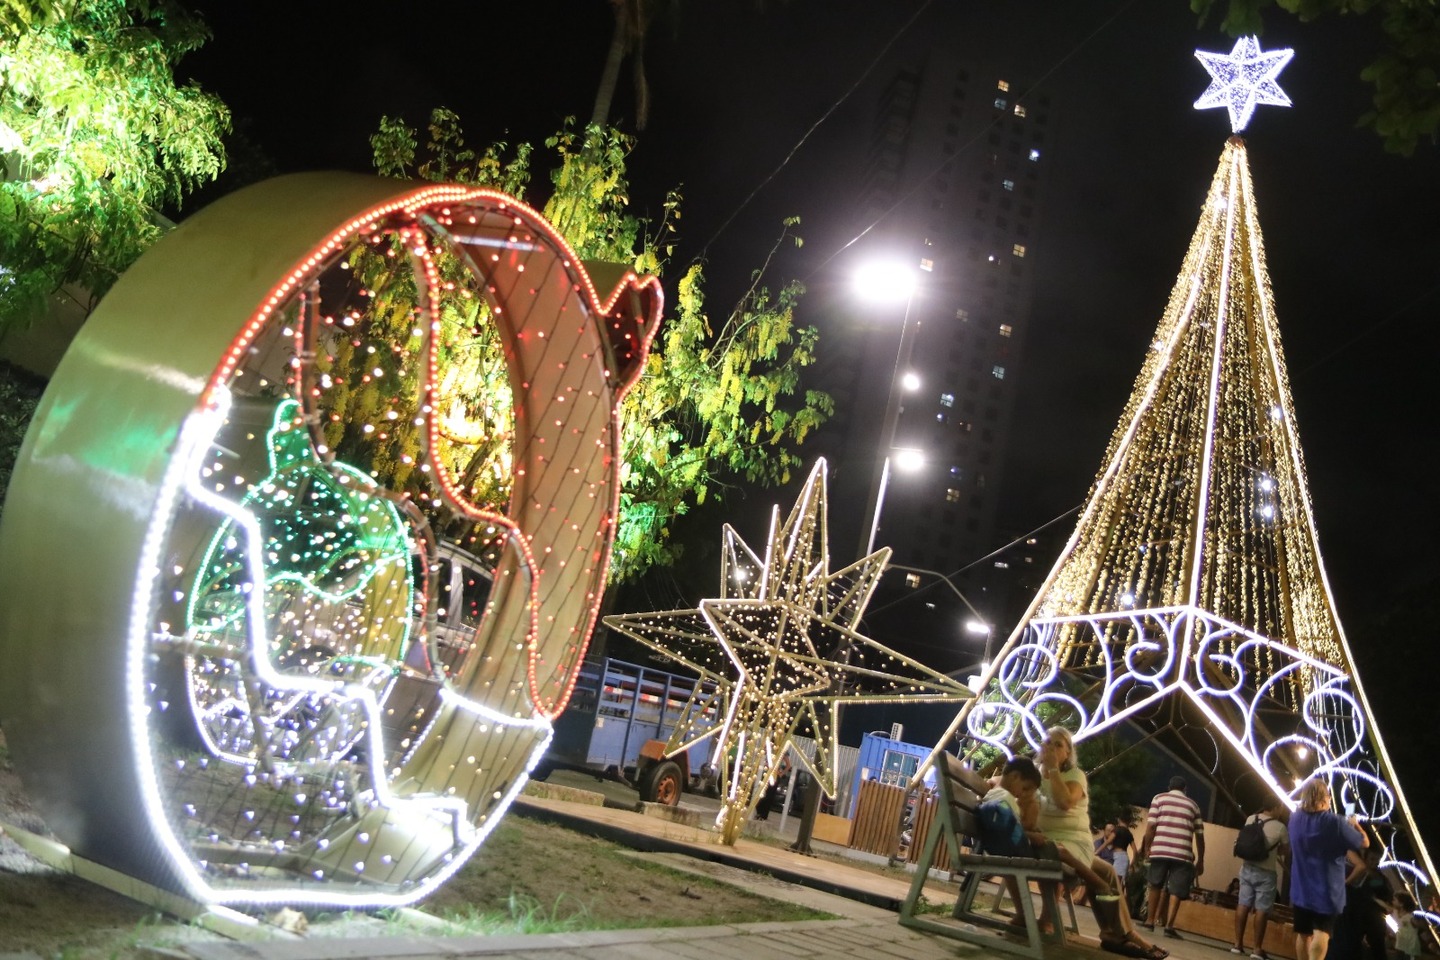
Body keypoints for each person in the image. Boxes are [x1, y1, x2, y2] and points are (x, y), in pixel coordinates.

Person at [1034, 726, 1167, 960]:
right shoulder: (1033, 775)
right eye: (1048, 743)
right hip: (1054, 845)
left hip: (1075, 845)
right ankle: (1120, 934)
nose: (1052, 748)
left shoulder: (1075, 776)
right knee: (1102, 874)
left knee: (1107, 872)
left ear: (1068, 753)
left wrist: (1053, 770)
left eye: (1058, 745)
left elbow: (1066, 800)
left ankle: (1116, 933)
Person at [1288, 777, 1368, 960]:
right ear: (1325, 798)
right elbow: (1363, 842)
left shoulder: (1295, 819)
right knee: (1321, 933)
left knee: (1303, 934)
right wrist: (1354, 824)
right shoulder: (1335, 822)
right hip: (1327, 890)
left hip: (1300, 888)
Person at [1140, 775, 1205, 939]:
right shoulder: (1194, 805)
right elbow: (1199, 835)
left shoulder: (1159, 799)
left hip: (1160, 849)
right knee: (1176, 889)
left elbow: (1151, 826)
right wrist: (1201, 859)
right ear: (1185, 789)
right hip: (1182, 853)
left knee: (1155, 884)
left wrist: (1148, 847)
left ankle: (1149, 921)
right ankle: (1169, 926)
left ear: (1169, 787)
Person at [1232, 798, 1289, 960]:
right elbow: (1285, 851)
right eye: (1281, 808)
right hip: (1266, 872)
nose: (1282, 811)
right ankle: (1256, 949)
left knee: (1242, 904)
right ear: (1276, 807)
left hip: (1247, 867)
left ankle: (1237, 944)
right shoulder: (1280, 827)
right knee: (1262, 910)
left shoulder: (1251, 819)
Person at [1329, 844, 1389, 960]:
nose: (1375, 863)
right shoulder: (1358, 875)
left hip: (1374, 916)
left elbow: (1380, 888)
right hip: (1356, 915)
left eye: (1377, 860)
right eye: (1372, 859)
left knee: (1377, 947)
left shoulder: (1379, 879)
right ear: (1365, 858)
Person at [1392, 894, 1422, 960]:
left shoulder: (1410, 917)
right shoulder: (1396, 914)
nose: (1392, 901)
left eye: (1394, 900)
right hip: (1400, 947)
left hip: (1410, 950)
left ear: (1401, 904)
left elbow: (1418, 926)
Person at [1112, 817, 1137, 890]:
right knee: (1119, 883)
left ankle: (1120, 900)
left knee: (1116, 884)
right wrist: (1132, 863)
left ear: (1119, 820)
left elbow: (1108, 842)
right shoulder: (1128, 833)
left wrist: (1098, 850)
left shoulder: (1117, 830)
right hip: (1123, 857)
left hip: (1120, 858)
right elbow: (1135, 851)